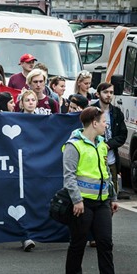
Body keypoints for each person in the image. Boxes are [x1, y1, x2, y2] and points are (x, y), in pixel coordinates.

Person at [63, 106, 118, 274]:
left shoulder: (102, 144)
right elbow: (69, 176)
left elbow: (106, 173)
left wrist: (113, 197)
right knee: (78, 244)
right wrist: (77, 200)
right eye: (103, 122)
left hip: (102, 202)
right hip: (82, 204)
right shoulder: (74, 145)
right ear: (94, 123)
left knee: (105, 243)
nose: (106, 125)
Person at [91, 82, 128, 199]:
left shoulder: (117, 113)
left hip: (111, 160)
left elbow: (122, 135)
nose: (109, 95)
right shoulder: (91, 111)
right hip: (93, 161)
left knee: (112, 196)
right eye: (105, 92)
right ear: (98, 94)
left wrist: (108, 145)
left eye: (111, 92)